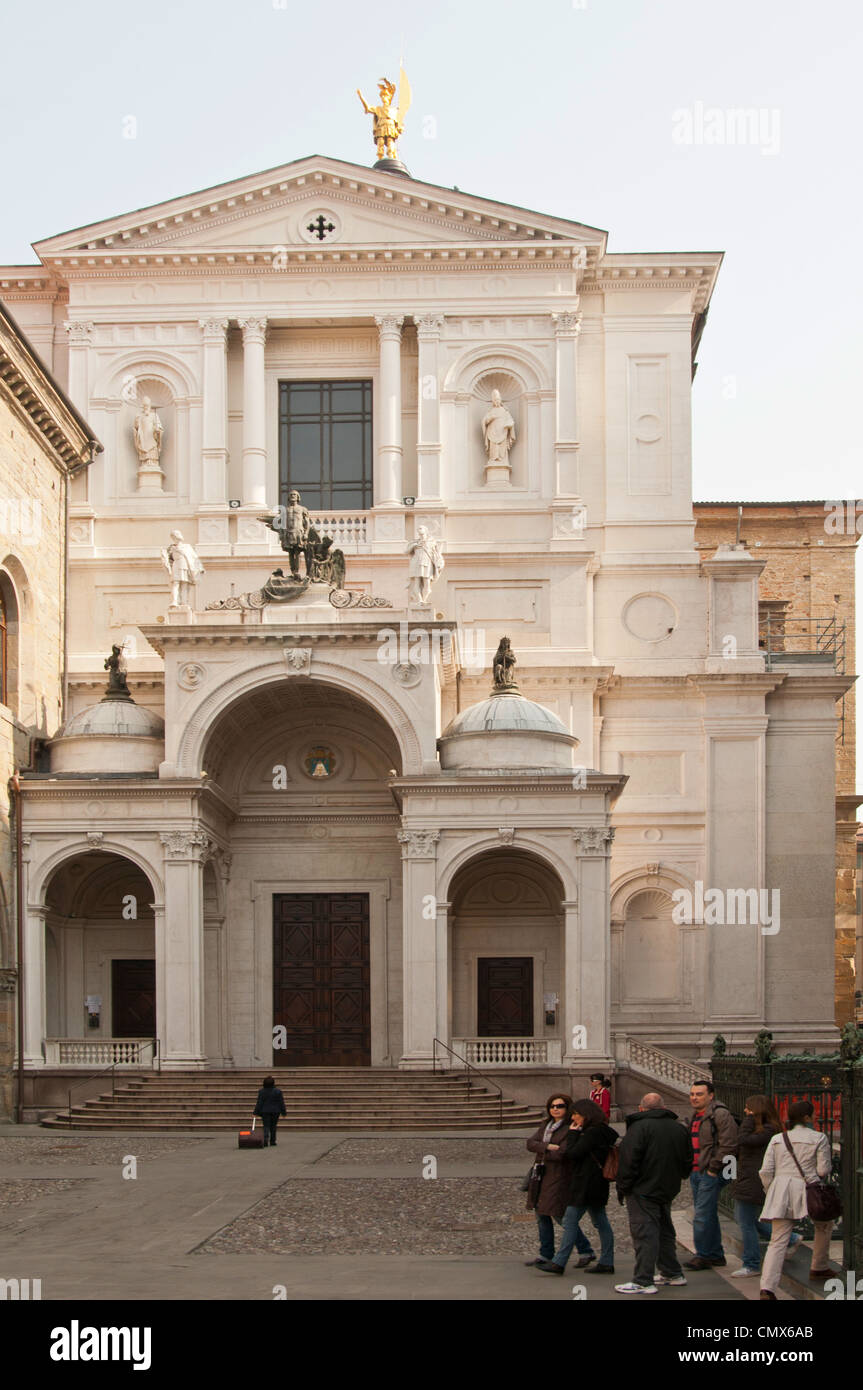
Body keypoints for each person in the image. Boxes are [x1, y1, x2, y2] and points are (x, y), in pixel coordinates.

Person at [614, 1092, 692, 1294]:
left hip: (643, 1189)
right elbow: (687, 1161)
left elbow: (628, 1162)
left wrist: (623, 1188)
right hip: (668, 1188)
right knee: (665, 1230)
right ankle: (672, 1272)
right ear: (664, 1107)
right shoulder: (679, 1128)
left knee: (644, 1233)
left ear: (641, 1108)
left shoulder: (639, 1128)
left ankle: (643, 1280)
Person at [758, 1100, 834, 1300]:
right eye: (814, 1114)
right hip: (808, 1188)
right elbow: (823, 1170)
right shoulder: (819, 1137)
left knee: (777, 1241)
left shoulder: (777, 1139)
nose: (816, 1117)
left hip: (781, 1189)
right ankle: (819, 1265)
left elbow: (765, 1171)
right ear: (807, 1118)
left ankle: (767, 1288)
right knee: (824, 1224)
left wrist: (771, 1191)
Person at [536, 1097, 617, 1275]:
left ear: (586, 1115)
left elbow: (573, 1153)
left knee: (570, 1220)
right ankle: (607, 1261)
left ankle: (559, 1262)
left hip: (585, 1183)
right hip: (598, 1183)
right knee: (601, 1221)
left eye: (576, 1115)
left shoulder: (592, 1133)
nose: (574, 1119)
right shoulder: (604, 1131)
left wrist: (573, 1134)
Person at [729, 1094, 798, 1277]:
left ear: (756, 1111)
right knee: (750, 1219)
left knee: (745, 1222)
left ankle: (751, 1263)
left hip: (754, 1181)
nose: (745, 1111)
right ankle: (791, 1239)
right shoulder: (763, 1129)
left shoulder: (768, 1131)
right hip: (748, 1179)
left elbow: (743, 1139)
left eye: (748, 1109)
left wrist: (749, 1120)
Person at [525, 1094, 593, 1268]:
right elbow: (530, 1143)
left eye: (560, 1106)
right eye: (552, 1106)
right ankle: (546, 1253)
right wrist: (547, 1147)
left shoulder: (569, 1127)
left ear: (567, 1108)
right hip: (540, 1174)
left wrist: (543, 1150)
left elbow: (563, 1153)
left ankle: (586, 1250)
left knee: (558, 1215)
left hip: (558, 1176)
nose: (555, 1109)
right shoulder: (546, 1125)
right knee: (541, 1214)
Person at [683, 1079, 738, 1270]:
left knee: (701, 1215)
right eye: (692, 1094)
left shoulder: (720, 1114)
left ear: (711, 1095)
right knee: (708, 1214)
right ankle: (715, 1254)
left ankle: (703, 1254)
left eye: (699, 1094)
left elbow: (729, 1144)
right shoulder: (694, 1116)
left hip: (710, 1171)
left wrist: (714, 1169)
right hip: (696, 1171)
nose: (694, 1098)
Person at [253, 1075, 286, 1147]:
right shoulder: (278, 1091)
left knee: (266, 1126)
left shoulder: (262, 1091)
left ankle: (265, 1140)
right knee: (273, 1126)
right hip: (275, 1111)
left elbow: (259, 1102)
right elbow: (281, 1102)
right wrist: (283, 1112)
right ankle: (273, 1141)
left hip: (265, 1111)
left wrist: (255, 1112)